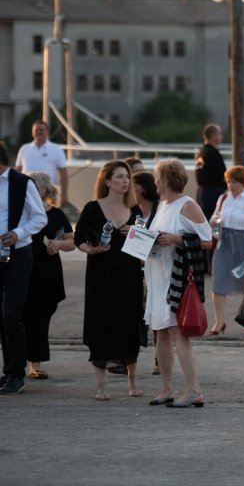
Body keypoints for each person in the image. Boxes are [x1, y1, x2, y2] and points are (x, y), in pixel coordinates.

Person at [144, 159, 212, 408]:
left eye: (156, 177)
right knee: (160, 332)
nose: (154, 181)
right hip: (157, 273)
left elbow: (206, 239)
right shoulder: (162, 205)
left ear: (165, 179)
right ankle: (166, 387)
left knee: (178, 332)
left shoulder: (187, 205)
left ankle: (194, 389)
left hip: (177, 275)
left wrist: (178, 239)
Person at [74, 160, 144, 400]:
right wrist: (90, 250)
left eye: (127, 177)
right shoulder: (93, 208)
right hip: (100, 276)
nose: (125, 181)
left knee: (129, 325)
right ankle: (101, 385)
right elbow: (79, 237)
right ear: (107, 181)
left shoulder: (135, 210)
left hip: (129, 276)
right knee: (101, 325)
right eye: (119, 177)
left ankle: (132, 382)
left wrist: (135, 234)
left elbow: (143, 249)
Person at [0, 143, 47, 395]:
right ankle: (8, 371)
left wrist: (17, 234)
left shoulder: (22, 183)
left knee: (12, 313)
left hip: (19, 255)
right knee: (2, 316)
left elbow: (40, 218)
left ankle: (18, 373)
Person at [23, 172, 74, 381]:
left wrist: (59, 244)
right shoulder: (21, 213)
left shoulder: (56, 214)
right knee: (28, 315)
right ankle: (33, 363)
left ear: (46, 189)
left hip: (49, 271)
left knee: (44, 314)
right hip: (24, 270)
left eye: (36, 186)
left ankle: (32, 360)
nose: (33, 190)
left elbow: (72, 241)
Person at [209, 166, 244, 335]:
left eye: (235, 182)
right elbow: (214, 218)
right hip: (223, 245)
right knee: (218, 284)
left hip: (242, 246)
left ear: (243, 183)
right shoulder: (223, 198)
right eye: (229, 182)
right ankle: (219, 321)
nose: (231, 185)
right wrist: (215, 224)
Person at [132, 171, 160, 375]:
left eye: (133, 185)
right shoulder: (132, 212)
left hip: (156, 268)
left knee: (157, 316)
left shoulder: (159, 211)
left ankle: (160, 359)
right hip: (136, 268)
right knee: (136, 313)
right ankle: (129, 356)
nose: (129, 189)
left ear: (142, 188)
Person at [15, 120, 69, 206]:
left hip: (49, 194)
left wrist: (63, 194)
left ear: (47, 132)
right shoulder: (24, 149)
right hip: (27, 192)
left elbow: (64, 175)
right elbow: (17, 172)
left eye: (42, 129)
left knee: (50, 218)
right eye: (36, 130)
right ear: (32, 132)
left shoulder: (56, 149)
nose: (39, 132)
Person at [196, 123, 227, 220]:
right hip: (212, 193)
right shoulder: (212, 153)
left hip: (201, 192)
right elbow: (223, 174)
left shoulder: (201, 153)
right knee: (211, 222)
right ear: (213, 135)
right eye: (219, 134)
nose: (221, 136)